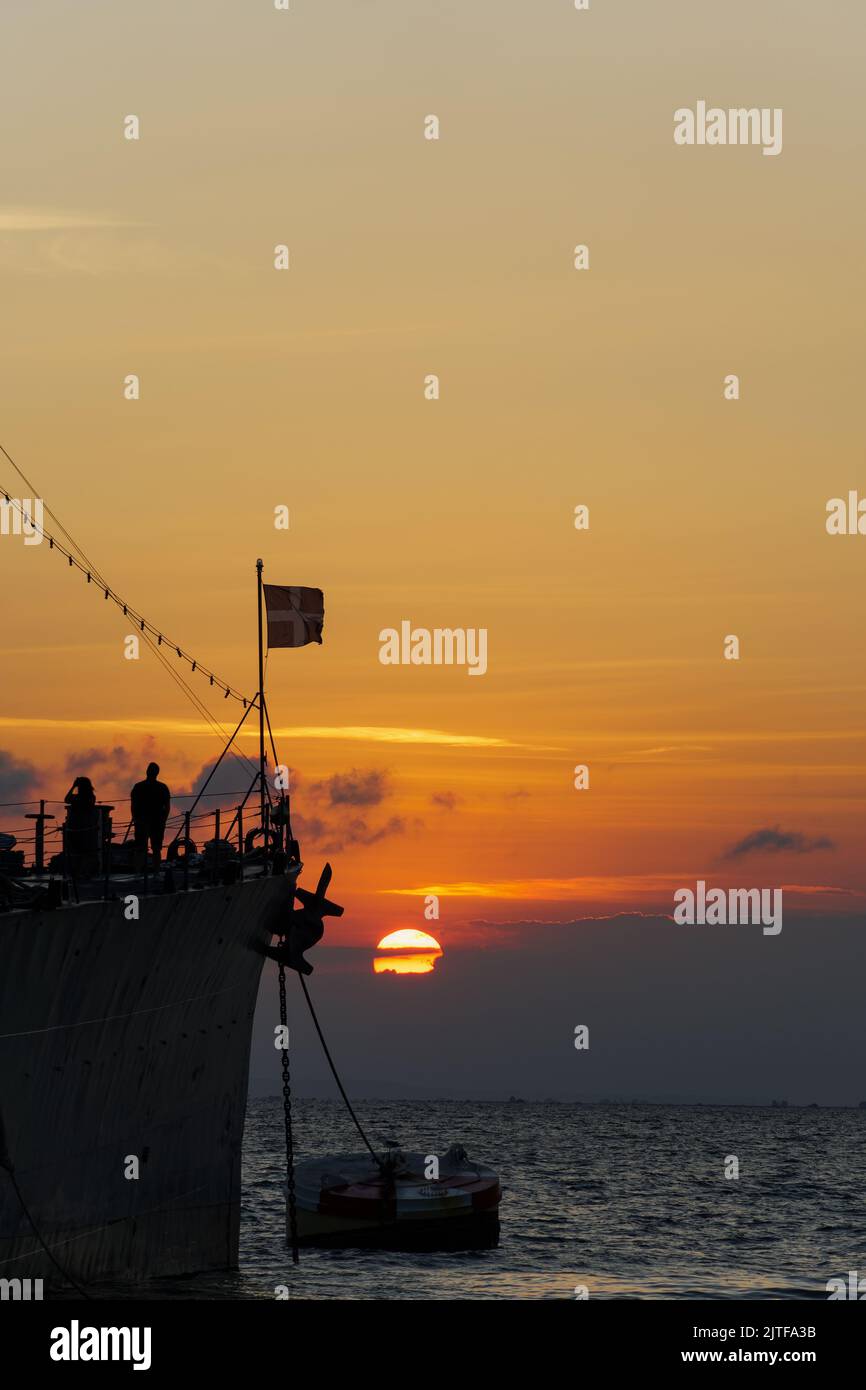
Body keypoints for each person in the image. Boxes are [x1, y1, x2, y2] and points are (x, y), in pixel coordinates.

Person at [131, 763, 171, 870]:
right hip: (156, 822)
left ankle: (138, 872)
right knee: (156, 848)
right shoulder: (163, 788)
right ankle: (155, 872)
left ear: (147, 771)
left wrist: (135, 819)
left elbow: (133, 805)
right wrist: (164, 820)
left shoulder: (138, 787)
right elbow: (167, 807)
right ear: (157, 773)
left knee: (140, 848)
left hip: (142, 821)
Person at [63, 777, 99, 879]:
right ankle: (85, 872)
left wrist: (73, 786)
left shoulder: (76, 798)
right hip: (87, 829)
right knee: (85, 853)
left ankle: (77, 873)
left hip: (75, 829)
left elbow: (66, 799)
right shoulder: (92, 797)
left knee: (76, 852)